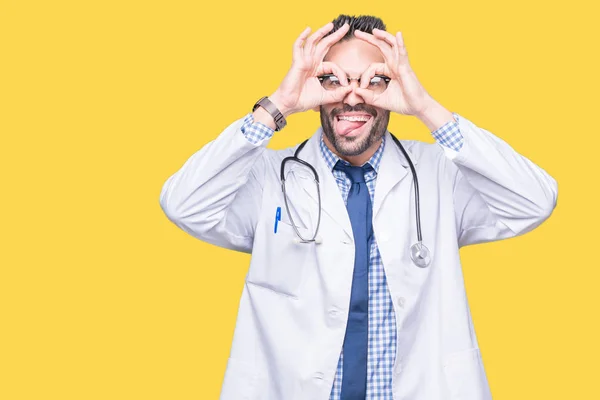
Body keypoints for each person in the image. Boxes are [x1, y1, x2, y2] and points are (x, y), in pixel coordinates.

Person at [159, 14, 557, 400]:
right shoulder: (268, 177)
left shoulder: (440, 173)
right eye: (333, 80)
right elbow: (184, 203)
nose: (353, 96)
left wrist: (425, 107)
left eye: (375, 80)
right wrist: (279, 104)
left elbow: (534, 200)